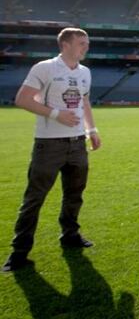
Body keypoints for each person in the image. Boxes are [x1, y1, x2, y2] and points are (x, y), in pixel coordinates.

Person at [2, 27, 101, 273]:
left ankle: (70, 235)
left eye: (86, 43)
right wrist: (56, 114)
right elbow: (23, 99)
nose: (85, 47)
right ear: (65, 44)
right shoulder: (44, 68)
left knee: (74, 194)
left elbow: (84, 102)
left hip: (77, 143)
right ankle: (19, 252)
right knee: (34, 199)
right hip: (49, 145)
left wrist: (92, 130)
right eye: (81, 43)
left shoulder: (85, 72)